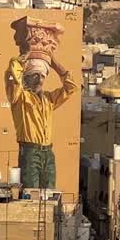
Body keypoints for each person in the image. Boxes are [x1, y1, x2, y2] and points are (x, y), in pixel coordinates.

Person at [6, 51, 76, 189]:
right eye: (35, 75)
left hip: (48, 152)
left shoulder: (48, 99)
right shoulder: (20, 98)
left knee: (49, 192)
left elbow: (71, 87)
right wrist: (26, 55)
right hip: (30, 152)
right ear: (26, 77)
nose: (40, 80)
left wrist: (55, 64)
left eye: (43, 76)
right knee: (31, 191)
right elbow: (13, 73)